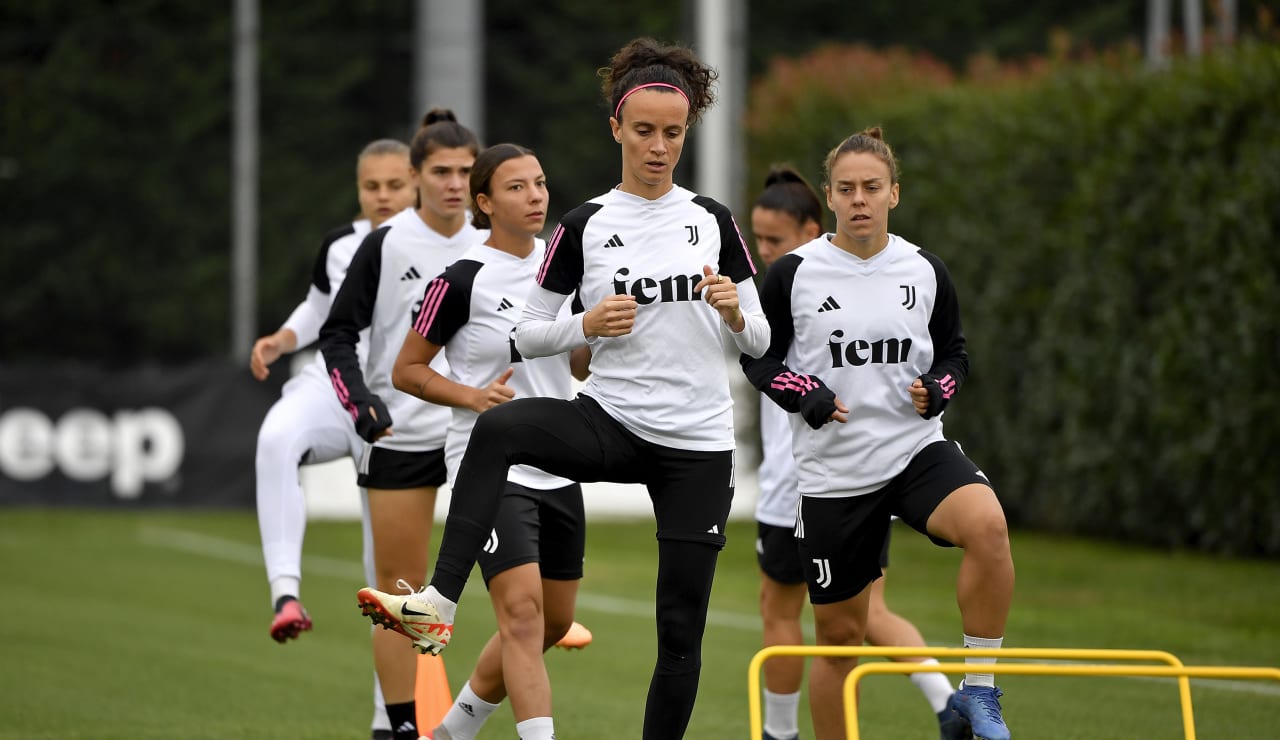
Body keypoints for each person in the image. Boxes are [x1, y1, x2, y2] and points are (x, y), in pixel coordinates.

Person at [355, 37, 771, 739]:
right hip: (611, 422)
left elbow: (760, 340)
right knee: (501, 428)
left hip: (698, 445)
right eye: (644, 131)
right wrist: (586, 322)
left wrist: (735, 312)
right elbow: (528, 332)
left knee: (679, 635)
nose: (658, 147)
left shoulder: (712, 220)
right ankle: (437, 603)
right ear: (616, 127)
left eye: (673, 133)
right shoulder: (582, 225)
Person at [740, 128, 1015, 740]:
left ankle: (979, 689)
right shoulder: (792, 275)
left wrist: (939, 388)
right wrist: (804, 394)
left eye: (871, 187)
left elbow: (955, 355)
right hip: (835, 475)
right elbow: (758, 361)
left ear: (895, 193)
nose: (859, 199)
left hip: (915, 452)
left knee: (989, 526)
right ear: (830, 200)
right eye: (846, 189)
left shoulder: (924, 269)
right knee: (839, 643)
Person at [385, 142, 593, 740]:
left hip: (560, 459)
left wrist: (595, 332)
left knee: (552, 622)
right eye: (516, 187)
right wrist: (471, 397)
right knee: (522, 616)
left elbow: (576, 367)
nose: (535, 196)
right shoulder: (459, 281)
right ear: (484, 202)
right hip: (489, 463)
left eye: (540, 182)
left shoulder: (565, 269)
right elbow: (408, 370)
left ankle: (450, 732)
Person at [319, 109, 481, 740]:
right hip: (403, 435)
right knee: (402, 597)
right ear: (415, 177)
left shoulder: (496, 241)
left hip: (479, 434)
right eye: (440, 171)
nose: (453, 183)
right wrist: (360, 402)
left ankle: (468, 720)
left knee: (518, 590)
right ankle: (401, 728)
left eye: (466, 171)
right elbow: (338, 335)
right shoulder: (384, 244)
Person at [249, 138, 415, 740]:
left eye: (394, 185)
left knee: (388, 574)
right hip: (333, 386)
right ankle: (285, 595)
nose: (382, 196)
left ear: (416, 184)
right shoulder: (341, 245)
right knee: (275, 438)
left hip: (398, 406)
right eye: (371, 186)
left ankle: (387, 721)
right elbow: (319, 309)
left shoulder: (446, 246)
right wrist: (283, 339)